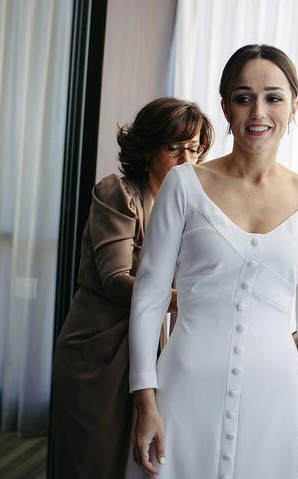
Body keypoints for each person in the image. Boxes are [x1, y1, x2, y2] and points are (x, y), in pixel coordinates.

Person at [127, 45, 298, 479]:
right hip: (184, 392)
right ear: (225, 107)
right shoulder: (184, 186)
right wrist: (145, 399)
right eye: (244, 98)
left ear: (294, 107)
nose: (258, 111)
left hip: (276, 400)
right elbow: (147, 298)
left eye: (273, 97)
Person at [51, 97, 214, 479]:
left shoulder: (185, 206)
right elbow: (114, 278)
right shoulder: (118, 192)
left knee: (140, 458)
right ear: (147, 149)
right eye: (173, 148)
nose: (186, 160)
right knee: (92, 459)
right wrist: (188, 301)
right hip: (100, 347)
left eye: (194, 149)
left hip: (147, 346)